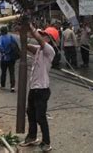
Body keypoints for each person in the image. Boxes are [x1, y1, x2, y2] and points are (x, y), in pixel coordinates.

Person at [19, 24, 55, 152]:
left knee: (40, 117)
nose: (41, 36)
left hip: (42, 90)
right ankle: (32, 136)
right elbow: (26, 46)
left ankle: (46, 142)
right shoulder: (39, 49)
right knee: (31, 114)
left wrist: (29, 26)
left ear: (49, 39)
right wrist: (22, 32)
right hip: (34, 89)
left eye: (44, 34)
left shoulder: (49, 50)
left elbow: (38, 39)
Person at [0, 26, 18, 92]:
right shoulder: (11, 37)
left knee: (3, 72)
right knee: (12, 72)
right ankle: (12, 87)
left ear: (1, 31)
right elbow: (16, 45)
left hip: (4, 58)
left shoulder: (1, 38)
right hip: (12, 58)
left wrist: (3, 52)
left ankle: (3, 85)